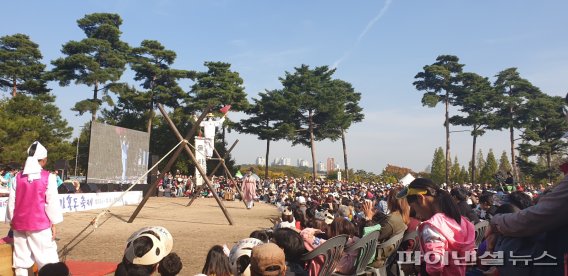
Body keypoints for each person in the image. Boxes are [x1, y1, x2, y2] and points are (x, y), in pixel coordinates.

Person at [6, 141, 64, 276]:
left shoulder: (17, 177)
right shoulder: (48, 177)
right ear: (43, 160)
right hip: (40, 225)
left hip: (19, 224)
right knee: (47, 259)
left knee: (21, 259)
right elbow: (51, 203)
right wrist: (53, 223)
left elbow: (11, 203)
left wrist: (12, 221)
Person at [397, 178, 475, 276]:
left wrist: (415, 267)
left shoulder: (432, 227)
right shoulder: (463, 221)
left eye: (414, 208)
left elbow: (435, 266)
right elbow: (470, 259)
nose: (417, 214)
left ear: (421, 198)